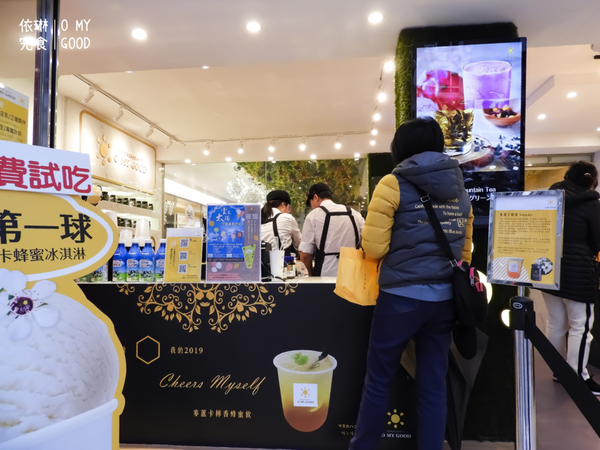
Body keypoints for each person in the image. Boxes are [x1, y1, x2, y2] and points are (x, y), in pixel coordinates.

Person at [349, 117, 473, 450]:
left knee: (379, 382)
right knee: (433, 386)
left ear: (399, 148)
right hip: (444, 301)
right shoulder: (460, 188)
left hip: (399, 300)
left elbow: (374, 249)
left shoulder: (391, 184)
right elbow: (464, 254)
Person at [540, 161, 600, 395]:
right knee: (580, 326)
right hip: (579, 273)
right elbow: (596, 241)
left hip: (549, 269)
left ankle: (559, 371)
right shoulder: (592, 204)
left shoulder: (550, 198)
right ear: (591, 180)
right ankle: (578, 377)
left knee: (555, 322)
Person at [298, 183, 364, 277]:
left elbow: (305, 254)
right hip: (352, 275)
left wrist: (311, 274)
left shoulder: (314, 216)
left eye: (310, 203)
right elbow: (365, 244)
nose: (312, 207)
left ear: (315, 197)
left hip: (325, 275)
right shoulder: (354, 214)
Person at [261, 190, 301, 256]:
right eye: (289, 208)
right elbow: (299, 244)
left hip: (260, 261)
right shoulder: (287, 218)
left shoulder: (259, 220)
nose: (288, 211)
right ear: (283, 205)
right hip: (280, 260)